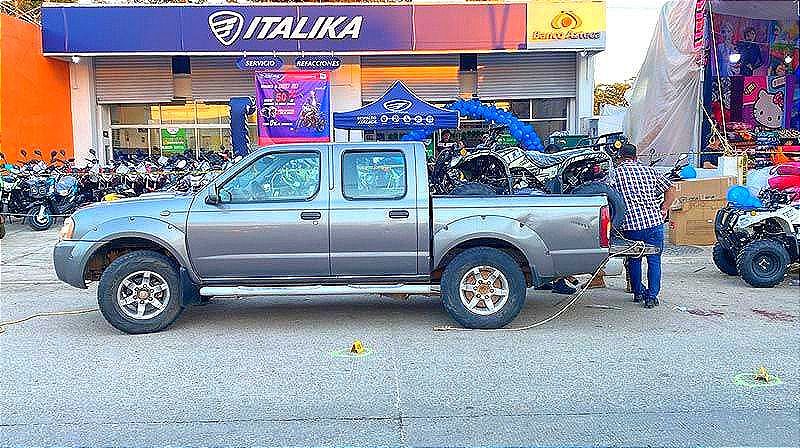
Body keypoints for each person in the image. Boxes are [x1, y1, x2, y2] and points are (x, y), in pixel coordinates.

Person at [607, 144, 677, 308]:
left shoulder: (615, 175)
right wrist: (664, 208)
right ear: (635, 157)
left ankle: (638, 293)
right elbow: (671, 189)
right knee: (654, 260)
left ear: (619, 158)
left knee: (634, 259)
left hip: (632, 226)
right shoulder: (650, 171)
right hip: (654, 222)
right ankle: (652, 296)